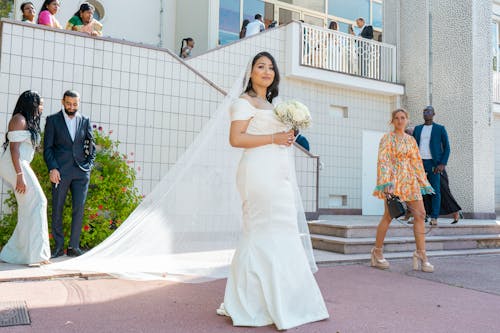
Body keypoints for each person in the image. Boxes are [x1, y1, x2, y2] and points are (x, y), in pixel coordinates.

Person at [217, 52, 329, 330]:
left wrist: (286, 138)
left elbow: (278, 139)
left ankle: (287, 300)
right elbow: (236, 139)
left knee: (283, 229)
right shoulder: (243, 103)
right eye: (260, 66)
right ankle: (250, 302)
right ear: (251, 73)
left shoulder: (275, 105)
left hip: (279, 174)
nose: (266, 71)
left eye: (271, 68)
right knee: (259, 231)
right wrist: (273, 138)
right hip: (257, 173)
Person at [372, 109, 435, 272]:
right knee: (388, 216)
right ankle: (377, 252)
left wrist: (423, 182)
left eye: (403, 118)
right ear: (392, 121)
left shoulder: (411, 140)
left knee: (420, 215)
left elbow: (417, 162)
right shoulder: (387, 138)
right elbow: (383, 161)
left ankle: (421, 254)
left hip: (410, 181)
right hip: (393, 181)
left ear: (407, 120)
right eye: (396, 118)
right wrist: (386, 183)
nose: (400, 121)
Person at [0, 91, 50, 266]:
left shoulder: (27, 121)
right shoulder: (19, 120)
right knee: (40, 201)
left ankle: (15, 253)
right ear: (31, 104)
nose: (42, 107)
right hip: (15, 165)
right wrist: (20, 176)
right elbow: (14, 150)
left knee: (28, 208)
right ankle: (38, 256)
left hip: (20, 164)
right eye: (39, 104)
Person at [43, 90, 95, 258]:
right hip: (60, 172)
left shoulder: (85, 120)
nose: (71, 107)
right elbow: (48, 148)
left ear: (78, 104)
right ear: (62, 102)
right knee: (57, 208)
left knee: (78, 209)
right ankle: (58, 247)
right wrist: (53, 168)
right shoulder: (52, 120)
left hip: (81, 173)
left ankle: (73, 247)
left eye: (75, 104)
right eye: (68, 104)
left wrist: (89, 165)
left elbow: (91, 145)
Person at [412, 105, 451, 226]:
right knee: (419, 191)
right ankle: (421, 215)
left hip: (434, 164)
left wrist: (442, 164)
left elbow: (447, 148)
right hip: (419, 163)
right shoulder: (418, 129)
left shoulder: (440, 128)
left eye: (428, 111)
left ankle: (434, 217)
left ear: (434, 114)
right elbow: (412, 147)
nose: (426, 113)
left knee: (434, 190)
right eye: (424, 111)